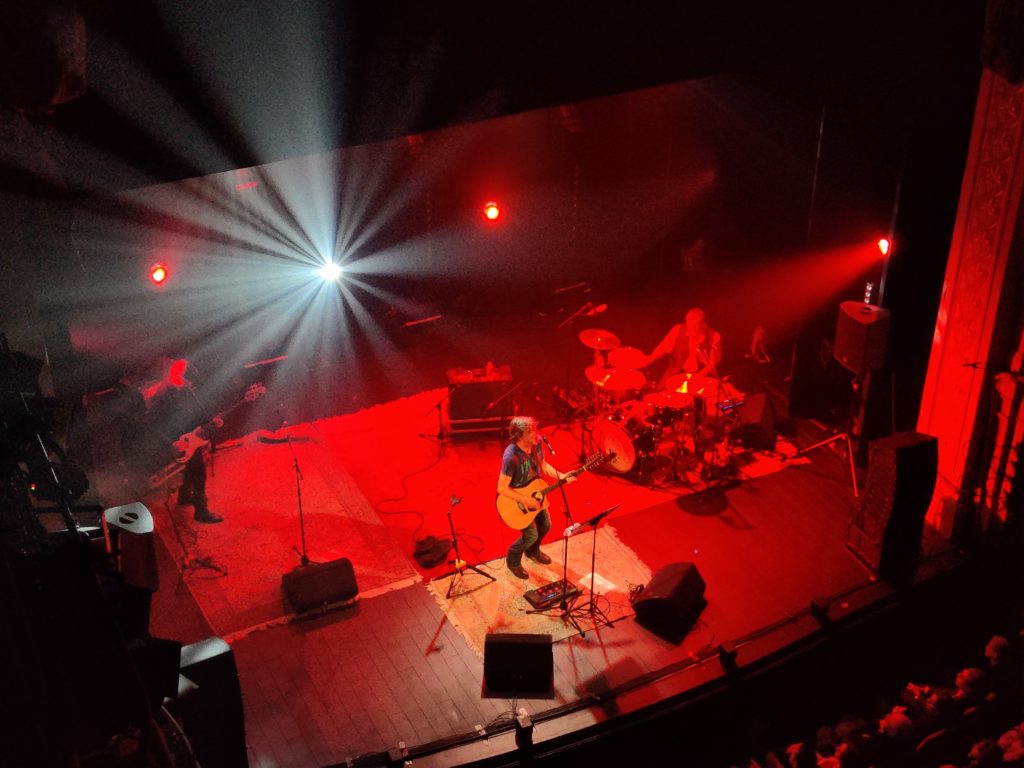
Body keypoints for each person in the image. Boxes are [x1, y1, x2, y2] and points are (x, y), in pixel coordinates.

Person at [496, 416, 574, 579]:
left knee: (546, 525)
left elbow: (543, 465)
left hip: (536, 492)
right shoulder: (511, 457)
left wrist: (561, 476)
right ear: (519, 436)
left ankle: (532, 551)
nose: (535, 434)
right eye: (530, 431)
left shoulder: (536, 442)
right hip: (518, 500)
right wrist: (526, 500)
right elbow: (501, 488)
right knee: (531, 534)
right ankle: (513, 560)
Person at [642, 306, 723, 388]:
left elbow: (713, 363)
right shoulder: (678, 329)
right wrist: (649, 359)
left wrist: (697, 377)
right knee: (660, 393)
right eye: (689, 325)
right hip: (676, 373)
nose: (691, 329)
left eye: (695, 326)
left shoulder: (714, 337)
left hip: (701, 377)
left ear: (703, 324)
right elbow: (663, 349)